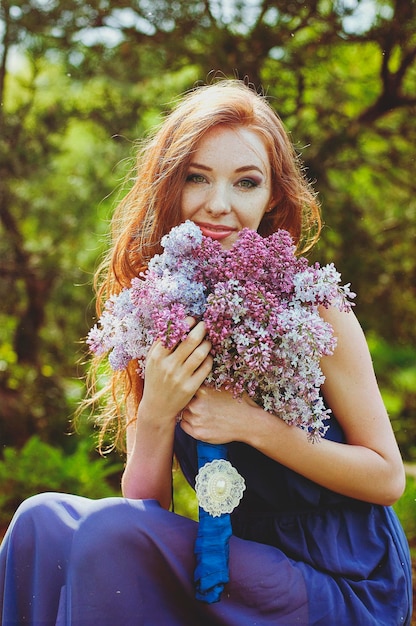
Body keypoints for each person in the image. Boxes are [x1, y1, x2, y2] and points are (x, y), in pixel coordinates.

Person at [0, 79, 412, 626]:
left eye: (246, 182)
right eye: (197, 177)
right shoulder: (156, 314)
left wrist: (250, 424)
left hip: (342, 578)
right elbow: (148, 511)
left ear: (273, 198)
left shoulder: (315, 309)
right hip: (237, 562)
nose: (219, 205)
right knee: (40, 520)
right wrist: (155, 412)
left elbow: (387, 477)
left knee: (104, 532)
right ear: (169, 186)